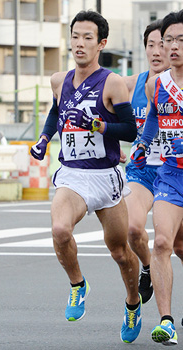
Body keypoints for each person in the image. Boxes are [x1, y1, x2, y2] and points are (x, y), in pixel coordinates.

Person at [30, 10, 142, 344]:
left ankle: (133, 303)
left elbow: (131, 131)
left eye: (87, 38)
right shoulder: (58, 80)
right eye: (75, 36)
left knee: (121, 253)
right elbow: (56, 111)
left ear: (101, 43)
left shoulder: (113, 82)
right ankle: (78, 284)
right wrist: (44, 138)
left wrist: (101, 126)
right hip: (73, 175)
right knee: (60, 229)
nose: (80, 44)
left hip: (105, 177)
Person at [131, 9, 183, 346]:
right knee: (162, 242)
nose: (173, 47)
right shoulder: (157, 84)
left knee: (180, 245)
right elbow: (152, 118)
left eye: (180, 40)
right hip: (169, 174)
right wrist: (142, 144)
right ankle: (166, 320)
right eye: (168, 41)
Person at [123, 20, 170, 304]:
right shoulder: (131, 84)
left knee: (175, 243)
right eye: (150, 45)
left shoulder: (177, 85)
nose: (156, 51)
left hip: (174, 171)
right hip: (142, 172)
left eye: (161, 44)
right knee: (131, 228)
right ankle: (148, 267)